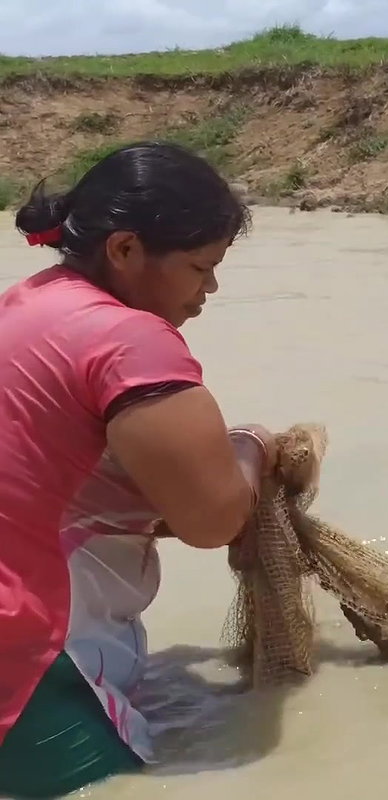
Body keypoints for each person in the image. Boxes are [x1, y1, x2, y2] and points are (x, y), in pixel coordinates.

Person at [0, 141, 276, 798]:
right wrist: (255, 448)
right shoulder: (130, 341)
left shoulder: (26, 304)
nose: (210, 289)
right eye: (200, 266)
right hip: (27, 662)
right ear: (124, 250)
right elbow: (214, 520)